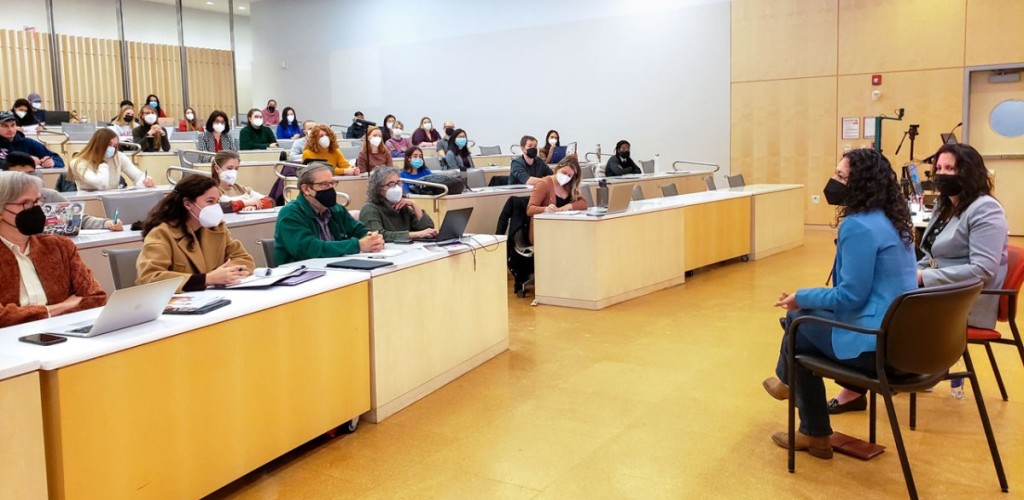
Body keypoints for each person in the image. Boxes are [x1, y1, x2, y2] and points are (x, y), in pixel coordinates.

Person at [826, 143, 1011, 414]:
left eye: (950, 168)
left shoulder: (986, 210)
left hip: (964, 299)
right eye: (938, 168)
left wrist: (922, 276)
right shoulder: (946, 206)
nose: (942, 174)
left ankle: (869, 377)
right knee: (874, 299)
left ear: (969, 173)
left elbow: (983, 270)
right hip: (936, 290)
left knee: (872, 308)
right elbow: (930, 253)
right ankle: (855, 386)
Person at [761, 148, 917, 459]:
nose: (834, 182)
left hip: (876, 347)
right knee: (800, 324)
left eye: (842, 177)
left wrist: (800, 296)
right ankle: (798, 405)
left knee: (797, 326)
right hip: (906, 343)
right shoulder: (892, 219)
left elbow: (850, 296)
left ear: (861, 185)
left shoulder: (857, 226)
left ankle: (804, 413)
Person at [0, 170, 107, 327]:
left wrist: (24, 313)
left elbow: (96, 297)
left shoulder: (60, 247)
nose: (35, 209)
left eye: (37, 202)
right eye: (26, 203)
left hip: (63, 336)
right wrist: (55, 309)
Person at [137, 174, 255, 292]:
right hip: (178, 303)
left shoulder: (217, 228)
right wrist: (206, 279)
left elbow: (243, 258)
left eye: (217, 201)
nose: (215, 207)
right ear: (188, 204)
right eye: (210, 201)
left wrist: (227, 274)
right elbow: (149, 277)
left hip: (213, 296)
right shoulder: (161, 233)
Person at [273, 164, 384, 265]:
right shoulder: (290, 214)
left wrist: (373, 239)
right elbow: (310, 249)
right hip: (300, 275)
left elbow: (360, 231)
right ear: (306, 189)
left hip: (336, 268)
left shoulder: (337, 209)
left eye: (332, 183)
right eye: (324, 184)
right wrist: (357, 245)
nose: (331, 188)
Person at [1, 152, 121, 230]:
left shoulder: (49, 196)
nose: (26, 179)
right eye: (19, 175)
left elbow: (78, 220)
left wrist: (107, 224)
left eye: (30, 174)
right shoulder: (3, 199)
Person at [358, 166, 436, 242]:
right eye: (391, 184)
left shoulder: (403, 207)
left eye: (398, 183)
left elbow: (428, 229)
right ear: (378, 189)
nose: (397, 188)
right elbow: (378, 235)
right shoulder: (369, 209)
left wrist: (414, 205)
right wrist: (414, 235)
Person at [68, 128, 154, 191]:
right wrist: (103, 163)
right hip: (90, 203)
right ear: (98, 144)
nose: (112, 148)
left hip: (113, 200)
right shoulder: (78, 162)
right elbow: (100, 184)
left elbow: (137, 175)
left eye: (115, 145)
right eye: (109, 144)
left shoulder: (118, 156)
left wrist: (145, 180)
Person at [526, 156, 587, 243]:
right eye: (564, 172)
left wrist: (569, 206)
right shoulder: (544, 184)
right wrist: (545, 209)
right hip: (544, 231)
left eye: (570, 175)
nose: (566, 177)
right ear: (558, 168)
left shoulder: (569, 186)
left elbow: (584, 203)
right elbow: (530, 209)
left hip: (564, 229)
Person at [0, 111, 65, 170]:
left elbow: (58, 160)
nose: (10, 129)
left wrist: (52, 162)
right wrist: (26, 162)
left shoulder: (28, 143)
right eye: (5, 126)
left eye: (13, 125)